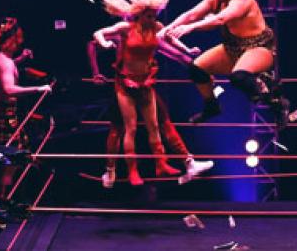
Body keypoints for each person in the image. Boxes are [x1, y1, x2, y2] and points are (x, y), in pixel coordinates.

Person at [94, 0, 205, 186]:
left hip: (146, 82)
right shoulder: (126, 28)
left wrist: (188, 50)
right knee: (131, 127)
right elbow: (99, 33)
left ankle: (161, 164)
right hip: (125, 84)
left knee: (154, 125)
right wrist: (104, 43)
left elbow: (171, 39)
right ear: (139, 14)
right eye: (149, 15)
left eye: (154, 15)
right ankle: (132, 171)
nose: (152, 19)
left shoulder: (156, 27)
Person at [157, 0, 289, 127]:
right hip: (232, 47)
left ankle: (277, 102)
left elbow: (220, 19)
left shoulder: (243, 1)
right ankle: (211, 106)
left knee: (239, 77)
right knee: (196, 69)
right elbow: (191, 14)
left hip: (258, 48)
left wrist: (189, 28)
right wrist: (168, 29)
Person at [86, 38, 213, 188]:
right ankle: (111, 170)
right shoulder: (122, 33)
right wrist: (95, 72)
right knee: (120, 129)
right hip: (124, 88)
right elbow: (92, 44)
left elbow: (176, 54)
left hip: (145, 87)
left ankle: (185, 162)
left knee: (161, 122)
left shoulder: (151, 36)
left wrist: (199, 71)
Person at [0, 17, 51, 201]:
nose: (21, 42)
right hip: (4, 114)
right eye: (19, 37)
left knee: (8, 159)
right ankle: (1, 201)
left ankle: (0, 201)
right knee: (11, 160)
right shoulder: (4, 61)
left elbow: (2, 74)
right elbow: (8, 89)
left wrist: (20, 60)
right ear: (13, 37)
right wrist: (38, 88)